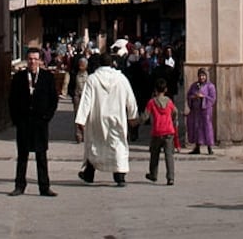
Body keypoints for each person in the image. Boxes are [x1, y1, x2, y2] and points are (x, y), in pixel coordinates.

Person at [75, 52, 138, 187]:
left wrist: (81, 119)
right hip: (117, 117)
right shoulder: (121, 79)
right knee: (118, 145)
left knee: (95, 145)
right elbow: (130, 98)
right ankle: (119, 176)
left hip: (97, 118)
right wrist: (133, 115)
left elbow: (86, 100)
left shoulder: (92, 79)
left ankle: (89, 174)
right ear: (112, 63)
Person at [7, 45, 59, 197]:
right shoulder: (18, 78)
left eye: (35, 59)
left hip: (40, 123)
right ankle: (19, 186)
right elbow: (12, 100)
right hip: (23, 122)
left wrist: (46, 117)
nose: (32, 62)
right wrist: (16, 120)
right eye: (30, 59)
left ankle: (44, 187)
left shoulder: (47, 77)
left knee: (41, 156)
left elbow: (53, 100)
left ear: (40, 61)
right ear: (26, 61)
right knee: (22, 156)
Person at [143, 77, 178, 186]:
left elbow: (145, 116)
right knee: (169, 155)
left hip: (157, 131)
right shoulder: (169, 102)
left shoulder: (152, 102)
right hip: (169, 131)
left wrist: (135, 122)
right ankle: (170, 178)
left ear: (155, 90)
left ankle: (153, 174)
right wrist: (172, 121)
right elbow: (175, 112)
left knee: (154, 154)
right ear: (166, 89)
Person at [186, 68, 216, 155]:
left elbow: (212, 99)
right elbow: (189, 95)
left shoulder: (210, 86)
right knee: (197, 128)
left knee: (207, 128)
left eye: (203, 76)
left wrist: (203, 97)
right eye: (200, 75)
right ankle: (197, 147)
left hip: (205, 110)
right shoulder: (194, 85)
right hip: (196, 111)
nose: (202, 77)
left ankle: (209, 147)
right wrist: (193, 97)